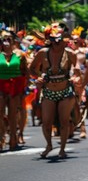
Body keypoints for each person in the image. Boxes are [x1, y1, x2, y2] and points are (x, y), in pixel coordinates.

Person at [29, 23, 81, 159]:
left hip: (65, 91)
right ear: (50, 40)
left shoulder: (70, 53)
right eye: (54, 40)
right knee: (46, 121)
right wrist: (39, 77)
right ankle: (49, 145)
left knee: (64, 121)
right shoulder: (42, 53)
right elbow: (32, 68)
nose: (57, 43)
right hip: (48, 91)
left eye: (60, 40)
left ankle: (62, 149)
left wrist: (75, 78)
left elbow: (77, 71)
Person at [0, 30, 28, 151]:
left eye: (8, 39)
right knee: (0, 114)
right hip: (0, 85)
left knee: (12, 114)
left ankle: (13, 138)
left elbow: (25, 71)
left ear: (13, 41)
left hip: (15, 86)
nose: (6, 42)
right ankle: (1, 137)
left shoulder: (20, 55)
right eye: (3, 39)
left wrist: (24, 88)